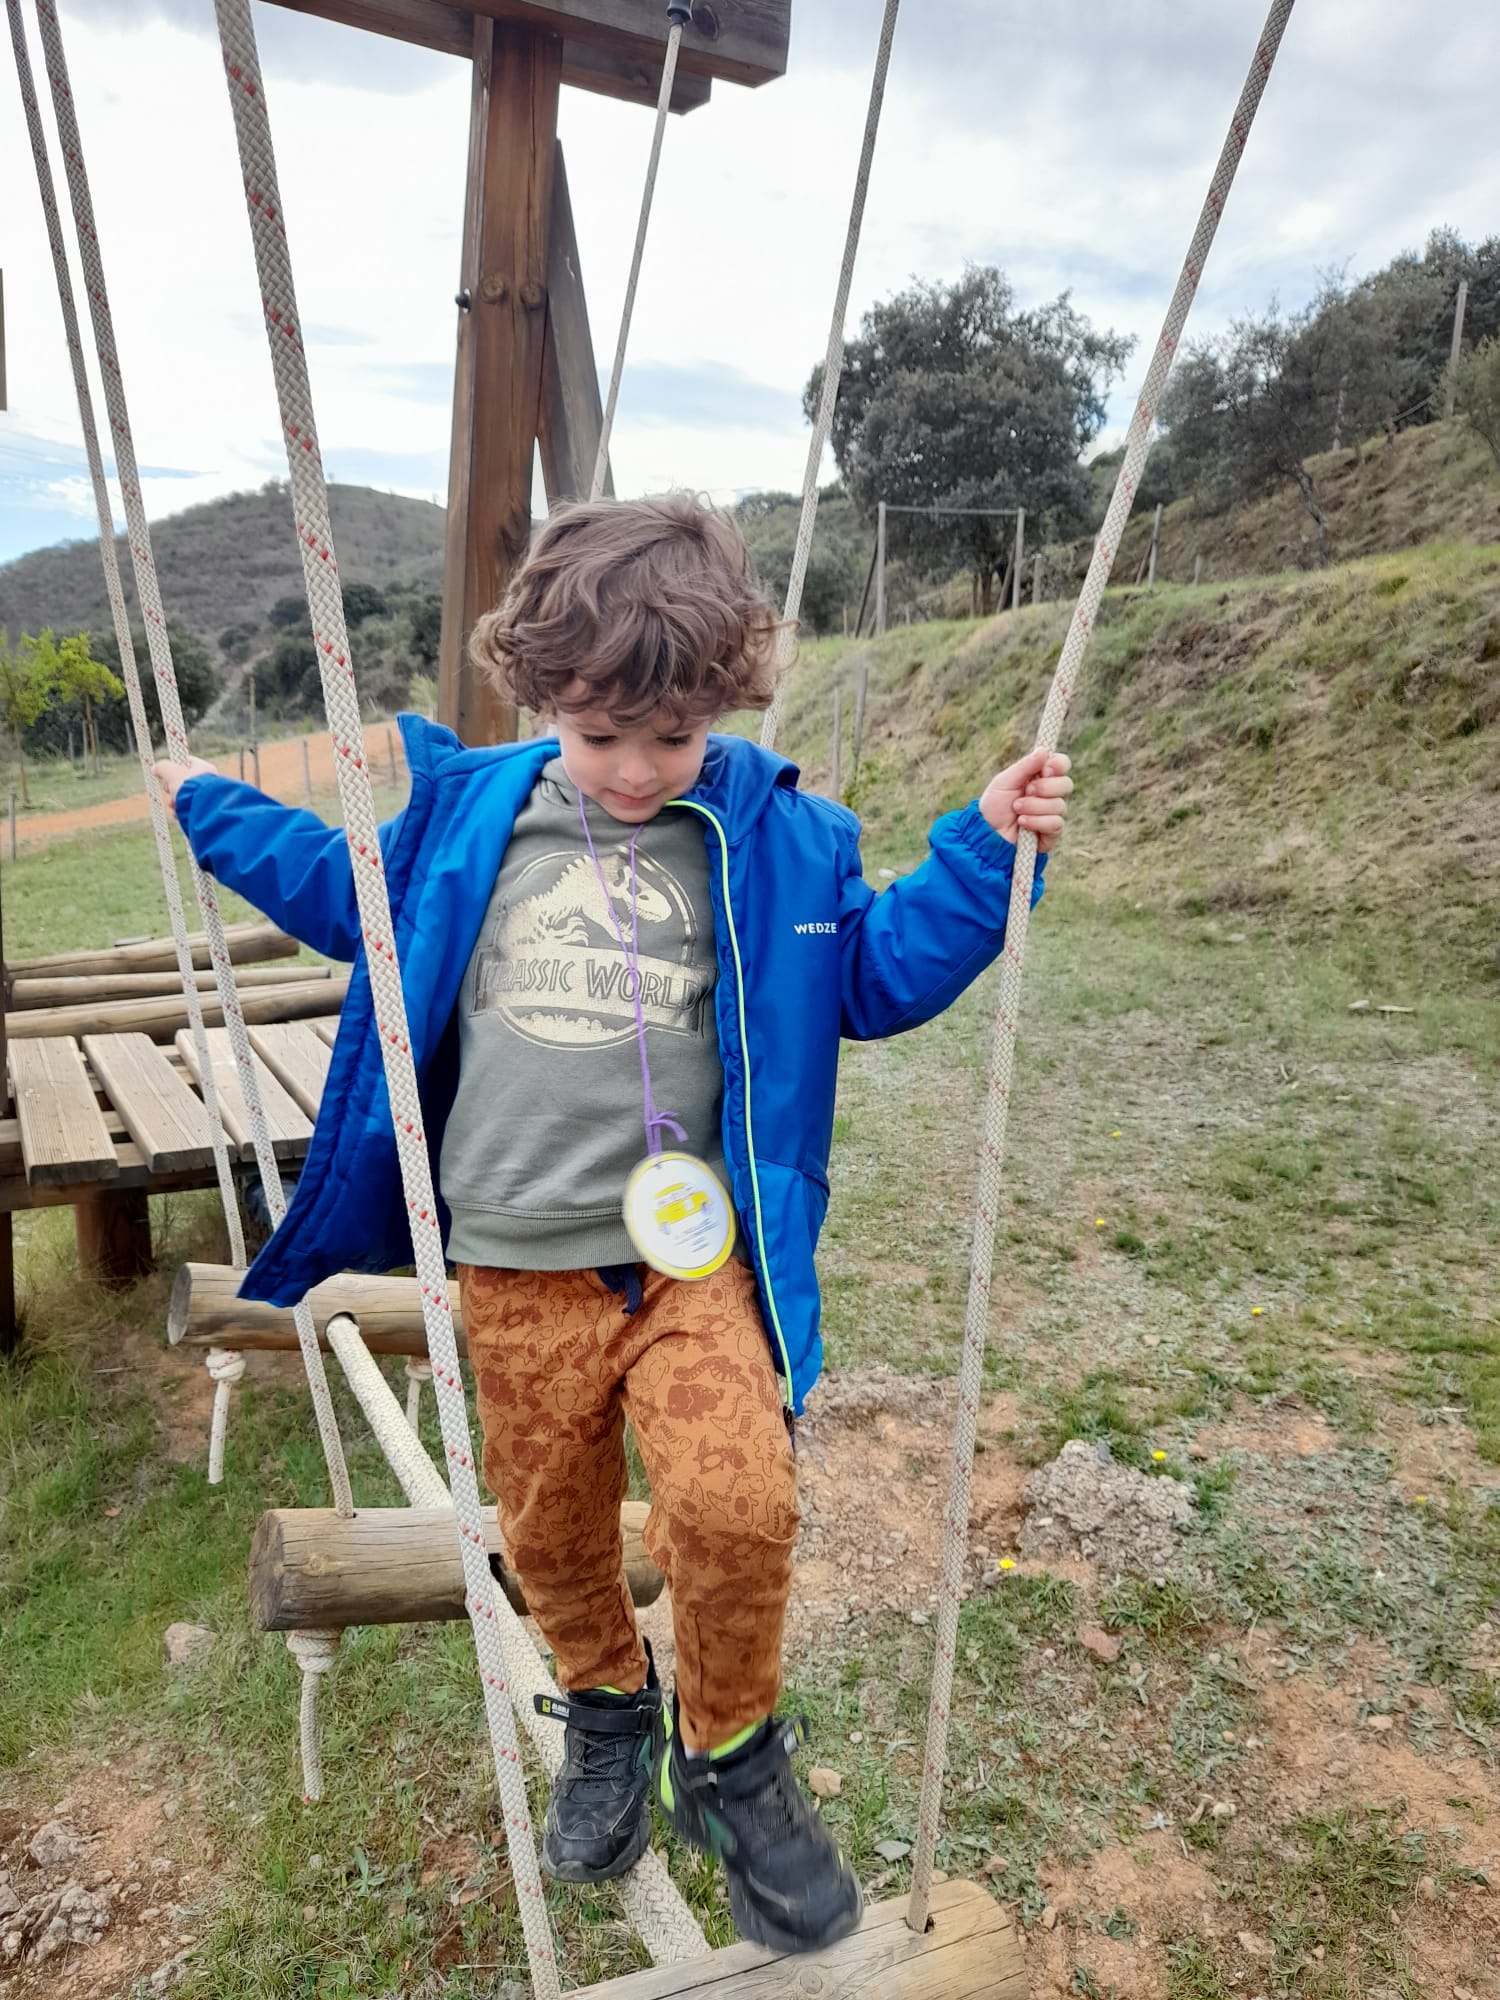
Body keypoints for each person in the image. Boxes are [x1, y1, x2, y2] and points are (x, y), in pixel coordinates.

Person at [155, 494, 1070, 1957]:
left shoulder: (774, 837)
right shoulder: (473, 820)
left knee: (738, 1499)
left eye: (674, 736)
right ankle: (604, 1705)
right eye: (601, 736)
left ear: (724, 706)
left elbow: (875, 975)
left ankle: (732, 1755)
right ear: (540, 697)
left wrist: (983, 853)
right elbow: (342, 892)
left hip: (686, 1267)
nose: (639, 770)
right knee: (551, 1531)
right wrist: (209, 801)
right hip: (510, 1266)